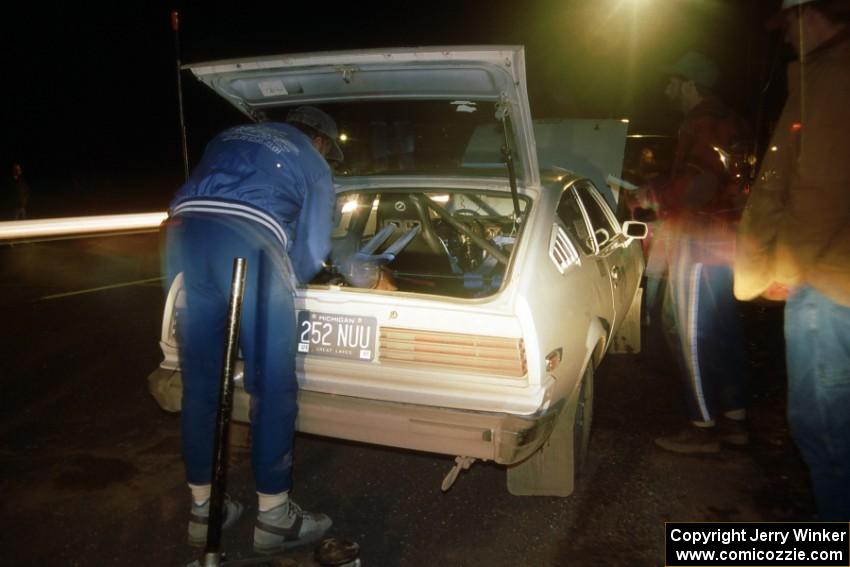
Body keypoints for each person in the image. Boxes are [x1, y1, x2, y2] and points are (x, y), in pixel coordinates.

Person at [163, 106, 343, 551]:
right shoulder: (313, 162)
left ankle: (205, 510)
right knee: (273, 385)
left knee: (202, 385)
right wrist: (288, 287)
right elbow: (312, 249)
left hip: (184, 234)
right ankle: (275, 519)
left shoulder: (228, 136)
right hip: (248, 242)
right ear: (320, 141)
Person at [735, 0, 850, 520]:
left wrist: (781, 269)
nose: (785, 37)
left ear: (810, 13)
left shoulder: (832, 72)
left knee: (826, 434)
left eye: (789, 22)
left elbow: (819, 187)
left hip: (830, 286)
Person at [649, 52, 752, 454]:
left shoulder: (700, 121)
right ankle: (735, 421)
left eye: (671, 81)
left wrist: (651, 192)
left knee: (686, 332)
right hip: (725, 241)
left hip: (698, 239)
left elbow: (698, 183)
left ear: (689, 83)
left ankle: (702, 426)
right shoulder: (732, 120)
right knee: (725, 331)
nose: (666, 89)